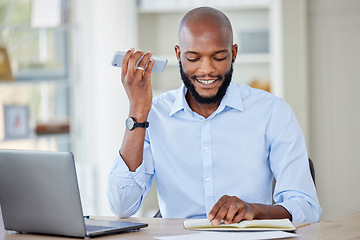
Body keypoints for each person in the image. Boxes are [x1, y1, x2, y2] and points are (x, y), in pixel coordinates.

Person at [107, 6, 321, 224]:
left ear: (234, 54)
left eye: (219, 57)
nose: (206, 69)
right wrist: (138, 110)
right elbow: (122, 206)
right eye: (193, 58)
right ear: (178, 55)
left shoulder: (272, 112)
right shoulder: (155, 115)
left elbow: (306, 207)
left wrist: (253, 210)